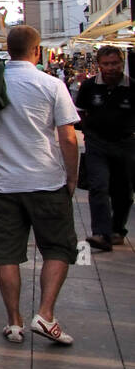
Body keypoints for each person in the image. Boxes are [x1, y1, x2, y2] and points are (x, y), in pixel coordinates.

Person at [0, 25, 80, 346]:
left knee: (6, 254)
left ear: (8, 49)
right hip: (47, 181)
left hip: (5, 185)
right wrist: (71, 176)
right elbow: (68, 137)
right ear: (37, 51)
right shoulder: (52, 85)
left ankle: (14, 322)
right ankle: (45, 314)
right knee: (58, 248)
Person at [73, 45, 135, 251]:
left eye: (115, 63)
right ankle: (101, 233)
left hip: (125, 144)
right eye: (106, 64)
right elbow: (80, 111)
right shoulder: (89, 86)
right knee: (98, 186)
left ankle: (117, 229)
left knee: (123, 190)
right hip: (97, 144)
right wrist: (88, 131)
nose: (111, 68)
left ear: (122, 63)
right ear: (99, 65)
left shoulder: (131, 86)